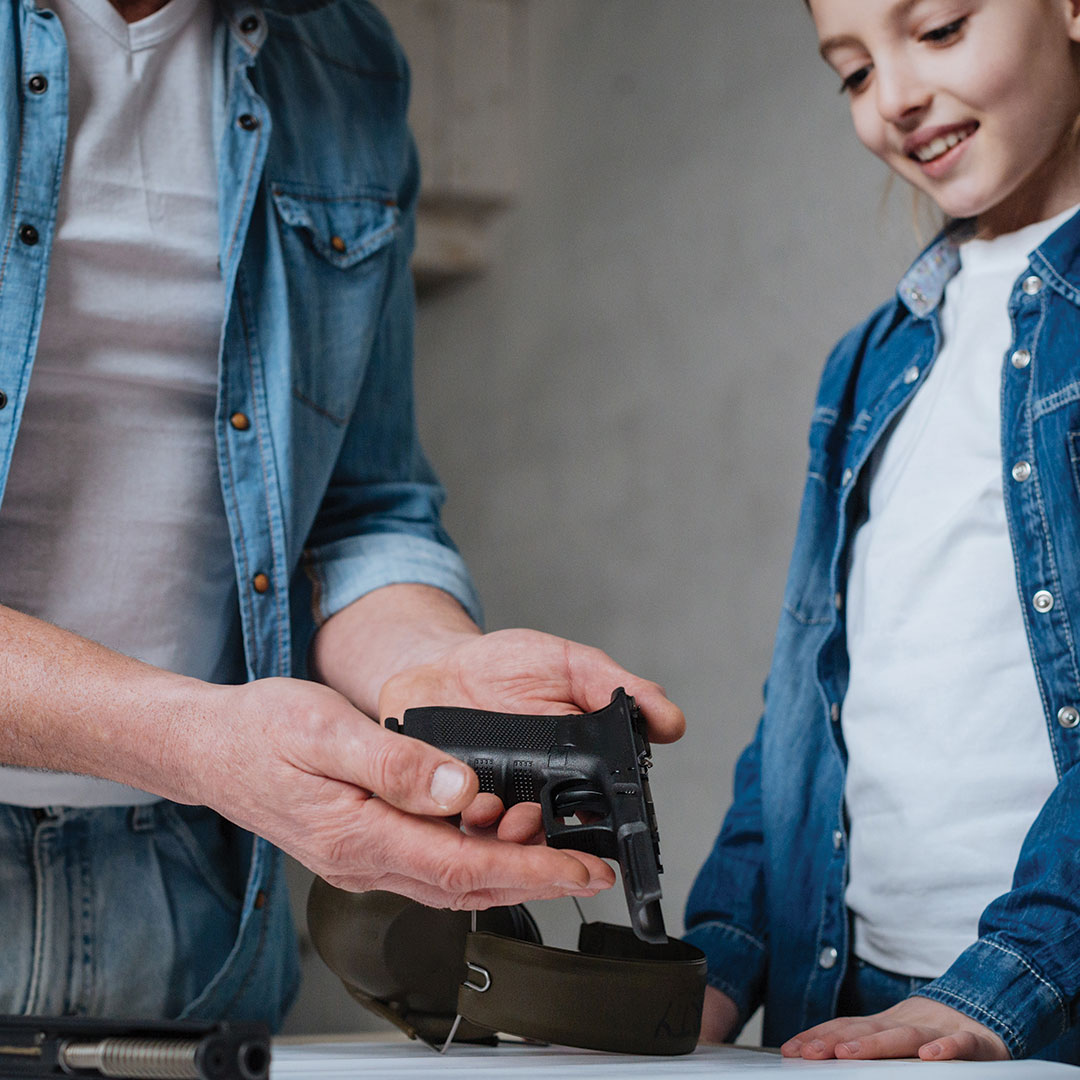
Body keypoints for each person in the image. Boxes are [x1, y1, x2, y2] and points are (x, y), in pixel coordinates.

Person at [0, 0, 685, 1027]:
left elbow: (359, 508)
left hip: (190, 891)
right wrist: (197, 741)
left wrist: (434, 672)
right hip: (204, 782)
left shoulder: (344, 60)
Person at [685, 0, 1080, 1063]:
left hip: (1036, 1005)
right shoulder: (869, 363)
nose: (895, 99)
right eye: (853, 74)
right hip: (853, 999)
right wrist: (714, 965)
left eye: (941, 28)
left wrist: (1008, 982)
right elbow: (805, 710)